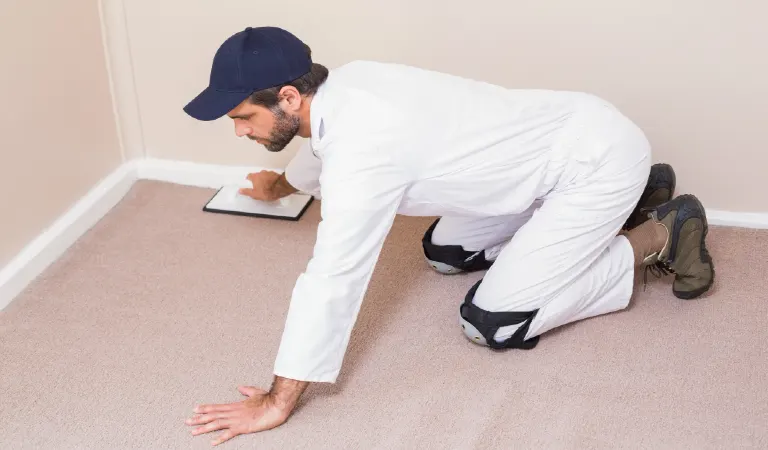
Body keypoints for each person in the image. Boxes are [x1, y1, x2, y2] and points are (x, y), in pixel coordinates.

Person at [182, 26, 714, 445]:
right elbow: (324, 148)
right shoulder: (347, 83)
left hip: (592, 163)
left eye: (242, 117)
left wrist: (280, 398)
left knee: (492, 321)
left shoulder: (365, 149)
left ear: (290, 96)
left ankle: (661, 232)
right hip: (559, 144)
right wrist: (280, 184)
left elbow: (334, 277)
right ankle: (638, 192)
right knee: (444, 251)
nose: (239, 131)